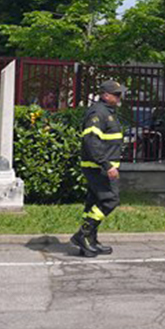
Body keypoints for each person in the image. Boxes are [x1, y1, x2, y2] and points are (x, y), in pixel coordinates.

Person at [70, 80, 127, 258]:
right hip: (98, 168)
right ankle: (83, 234)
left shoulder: (108, 112)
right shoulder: (98, 113)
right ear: (105, 95)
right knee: (110, 200)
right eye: (116, 94)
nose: (120, 97)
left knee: (93, 203)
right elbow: (91, 141)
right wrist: (107, 165)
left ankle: (90, 241)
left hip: (99, 167)